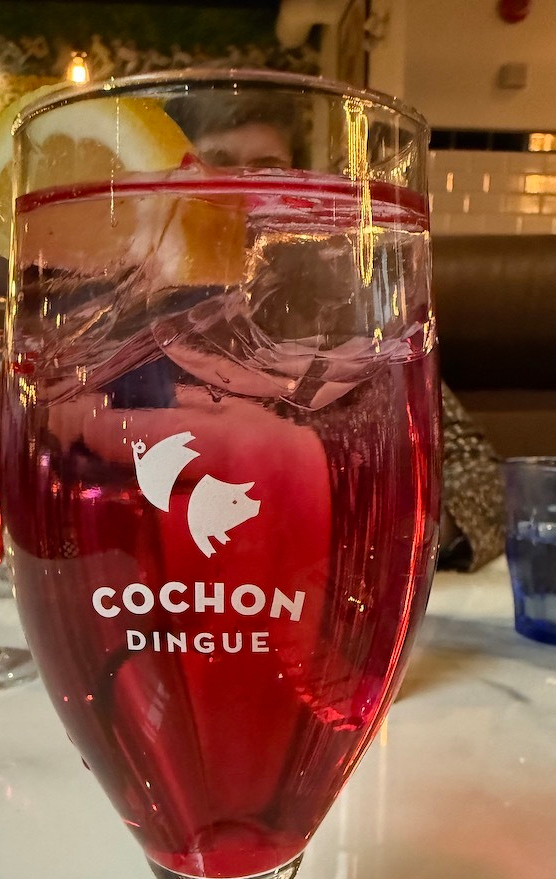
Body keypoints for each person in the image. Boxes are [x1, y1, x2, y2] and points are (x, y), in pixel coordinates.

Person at [169, 91, 506, 571]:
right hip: (152, 584)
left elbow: (481, 481)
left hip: (324, 580)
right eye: (218, 165)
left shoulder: (345, 303)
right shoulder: (119, 321)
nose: (243, 191)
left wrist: (368, 529)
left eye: (268, 171)